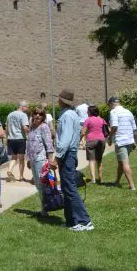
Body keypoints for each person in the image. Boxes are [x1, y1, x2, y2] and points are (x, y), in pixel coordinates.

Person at [54, 89, 94, 231]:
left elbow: (65, 140)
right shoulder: (69, 114)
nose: (57, 101)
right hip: (70, 153)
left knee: (70, 188)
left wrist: (57, 157)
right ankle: (71, 220)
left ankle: (84, 221)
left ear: (62, 101)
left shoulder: (67, 116)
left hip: (67, 154)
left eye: (58, 99)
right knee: (66, 187)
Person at [26, 106, 55, 216]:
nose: (37, 116)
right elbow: (29, 144)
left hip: (41, 159)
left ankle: (45, 208)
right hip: (33, 159)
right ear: (32, 115)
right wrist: (28, 159)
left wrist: (50, 161)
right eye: (36, 113)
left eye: (40, 114)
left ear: (43, 117)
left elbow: (49, 145)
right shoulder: (32, 127)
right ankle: (44, 206)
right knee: (38, 184)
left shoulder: (44, 127)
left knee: (43, 184)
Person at [108, 97, 137, 190]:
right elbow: (134, 129)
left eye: (109, 105)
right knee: (121, 163)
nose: (109, 108)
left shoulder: (114, 112)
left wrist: (110, 137)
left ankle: (132, 186)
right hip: (129, 141)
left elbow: (115, 127)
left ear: (112, 103)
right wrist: (134, 142)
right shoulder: (128, 112)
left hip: (121, 141)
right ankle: (117, 182)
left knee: (125, 163)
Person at [82, 105, 108, 184]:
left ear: (90, 112)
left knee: (91, 160)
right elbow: (107, 130)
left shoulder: (88, 120)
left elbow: (83, 132)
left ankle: (93, 179)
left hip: (91, 141)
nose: (87, 112)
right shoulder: (102, 120)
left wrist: (81, 139)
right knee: (99, 160)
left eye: (87, 111)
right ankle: (100, 178)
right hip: (101, 140)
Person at [6, 101, 30, 182]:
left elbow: (7, 128)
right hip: (20, 138)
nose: (27, 109)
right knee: (21, 159)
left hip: (11, 138)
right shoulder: (23, 115)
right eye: (27, 107)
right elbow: (25, 128)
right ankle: (21, 176)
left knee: (13, 158)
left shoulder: (10, 115)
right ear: (22, 107)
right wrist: (31, 132)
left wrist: (7, 138)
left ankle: (9, 170)